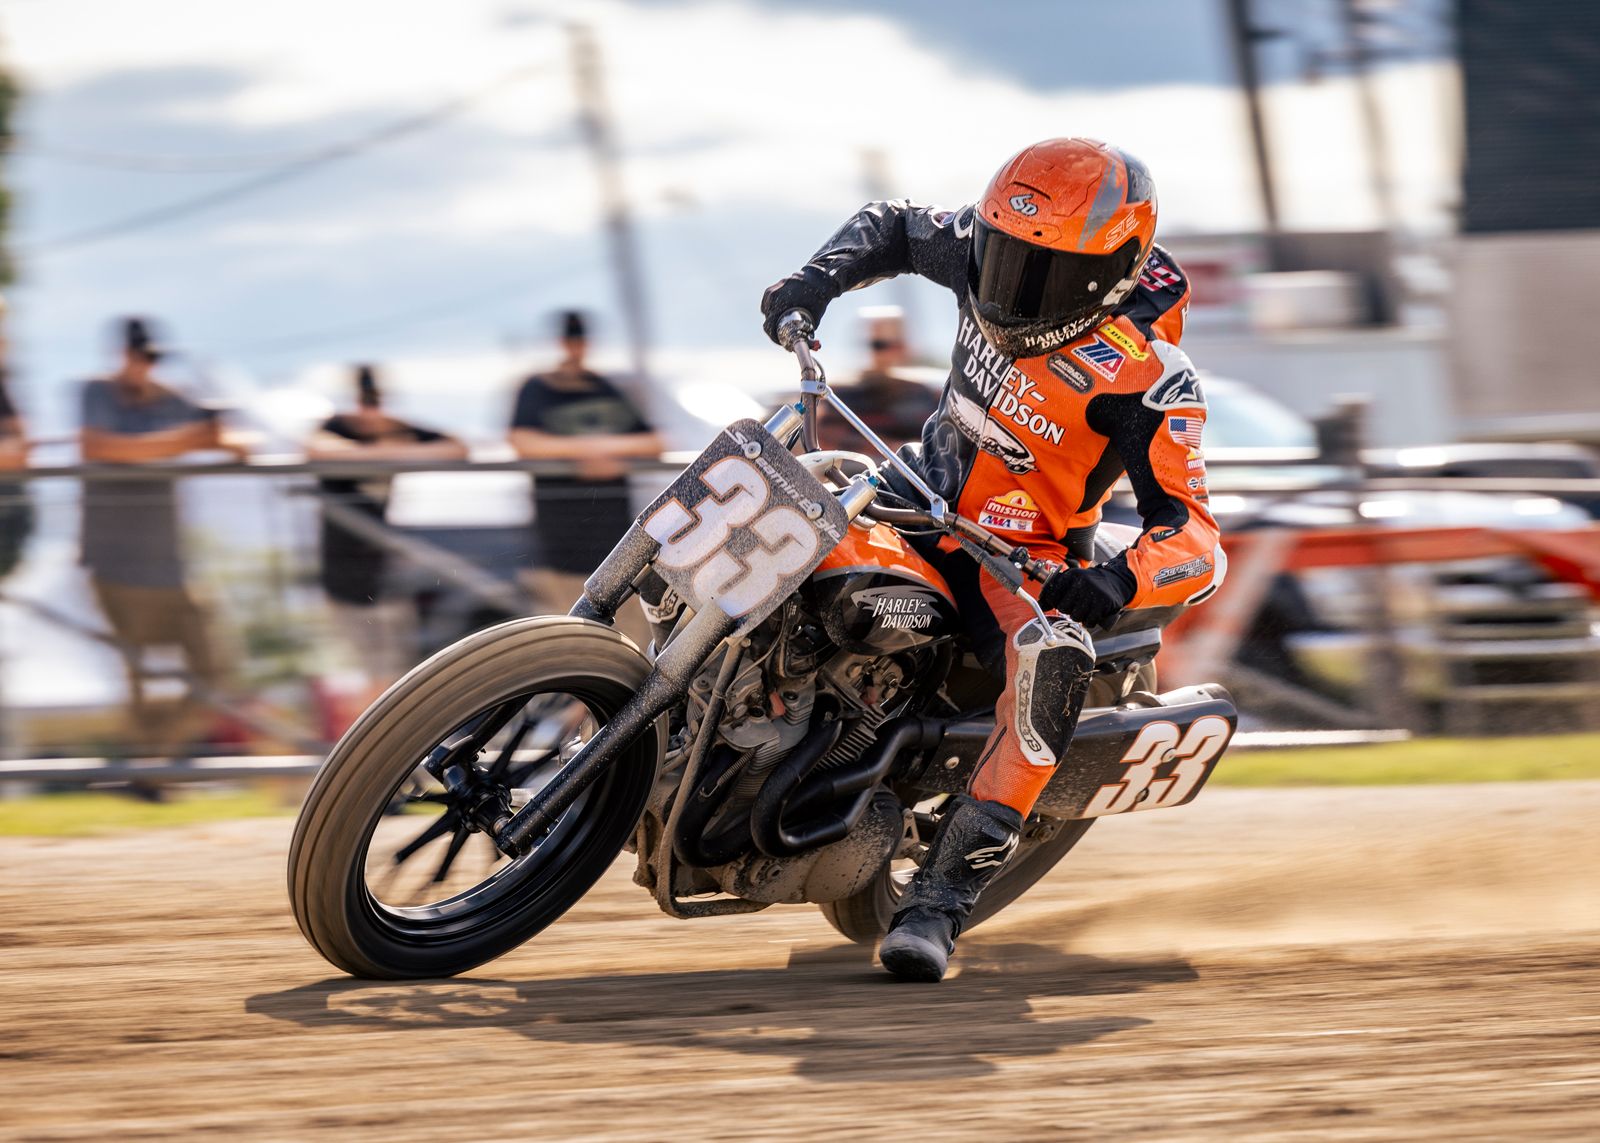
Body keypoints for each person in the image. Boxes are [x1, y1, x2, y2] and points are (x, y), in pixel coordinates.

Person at [761, 138, 1222, 981]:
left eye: (1038, 273)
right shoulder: (984, 251)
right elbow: (894, 226)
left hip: (1019, 561)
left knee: (1053, 662)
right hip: (909, 489)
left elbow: (1195, 537)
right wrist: (815, 280)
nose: (1006, 286)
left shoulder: (1152, 378)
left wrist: (1116, 578)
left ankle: (938, 903)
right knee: (770, 476)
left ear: (1111, 271)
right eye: (1001, 256)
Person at [79, 317, 246, 748]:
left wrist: (216, 435)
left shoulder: (175, 398)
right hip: (113, 562)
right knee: (140, 677)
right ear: (122, 355)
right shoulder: (96, 391)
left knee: (215, 668)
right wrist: (190, 440)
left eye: (152, 357)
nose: (145, 366)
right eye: (140, 356)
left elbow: (237, 441)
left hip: (171, 562)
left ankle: (152, 764)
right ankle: (147, 769)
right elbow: (100, 447)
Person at [306, 364, 467, 700]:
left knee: (396, 673)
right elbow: (317, 449)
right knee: (376, 674)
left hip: (385, 571)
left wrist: (391, 445)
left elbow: (458, 447)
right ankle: (374, 747)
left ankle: (389, 745)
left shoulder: (396, 427)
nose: (369, 410)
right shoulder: (334, 426)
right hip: (343, 576)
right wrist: (389, 450)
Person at [508, 311, 661, 649]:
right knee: (565, 652)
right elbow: (522, 441)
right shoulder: (537, 388)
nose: (575, 347)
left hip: (617, 545)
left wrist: (599, 451)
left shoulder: (604, 387)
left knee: (627, 650)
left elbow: (655, 441)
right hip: (561, 547)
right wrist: (586, 454)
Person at [816, 307, 939, 454]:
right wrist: (893, 449)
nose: (891, 352)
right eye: (879, 345)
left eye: (896, 344)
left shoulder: (925, 394)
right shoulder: (838, 396)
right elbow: (824, 440)